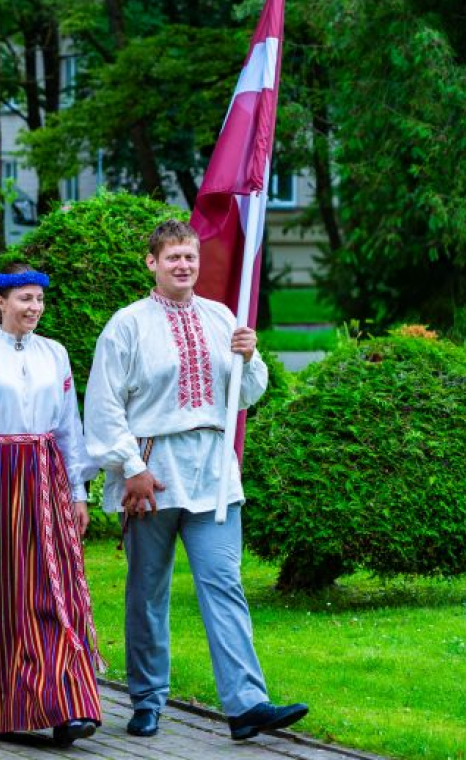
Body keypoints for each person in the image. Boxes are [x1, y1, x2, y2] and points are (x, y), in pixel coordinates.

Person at [84, 220, 309, 742]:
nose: (182, 266)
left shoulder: (220, 317)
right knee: (147, 591)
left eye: (189, 257)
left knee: (223, 584)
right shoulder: (127, 325)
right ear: (152, 263)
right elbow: (103, 405)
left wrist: (250, 358)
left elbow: (246, 395)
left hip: (211, 469)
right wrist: (131, 467)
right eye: (172, 258)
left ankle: (246, 702)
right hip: (152, 470)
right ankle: (146, 698)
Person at [0, 262, 102, 746]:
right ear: (0, 303)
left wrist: (78, 490)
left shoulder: (55, 354)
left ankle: (68, 702)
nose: (33, 308)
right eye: (24, 299)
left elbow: (68, 429)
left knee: (55, 588)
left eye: (38, 299)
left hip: (47, 474)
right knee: (2, 592)